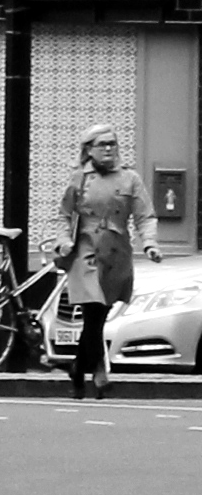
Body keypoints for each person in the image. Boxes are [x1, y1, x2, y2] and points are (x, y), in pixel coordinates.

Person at [59, 124, 160, 398]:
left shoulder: (130, 179)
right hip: (85, 250)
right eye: (102, 144)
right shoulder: (79, 178)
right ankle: (95, 372)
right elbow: (64, 215)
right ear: (88, 150)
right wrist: (64, 240)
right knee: (93, 311)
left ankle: (79, 368)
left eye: (112, 144)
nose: (108, 149)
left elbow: (144, 216)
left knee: (98, 316)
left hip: (116, 253)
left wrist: (149, 244)